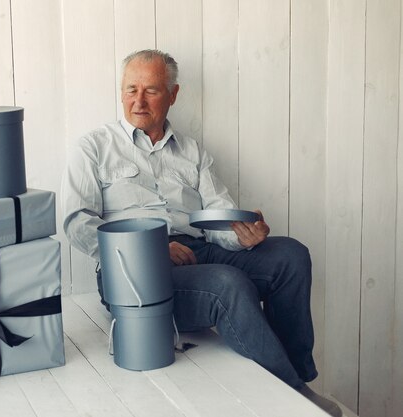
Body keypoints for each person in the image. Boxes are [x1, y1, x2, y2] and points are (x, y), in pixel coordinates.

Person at [61, 49, 342, 417]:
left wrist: (241, 236)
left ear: (173, 94)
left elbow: (217, 219)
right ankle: (292, 397)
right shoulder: (94, 147)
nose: (138, 101)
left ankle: (300, 376)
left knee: (290, 254)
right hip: (134, 274)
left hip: (198, 252)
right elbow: (76, 223)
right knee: (226, 281)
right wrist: (152, 250)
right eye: (131, 89)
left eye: (151, 90)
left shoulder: (192, 152)